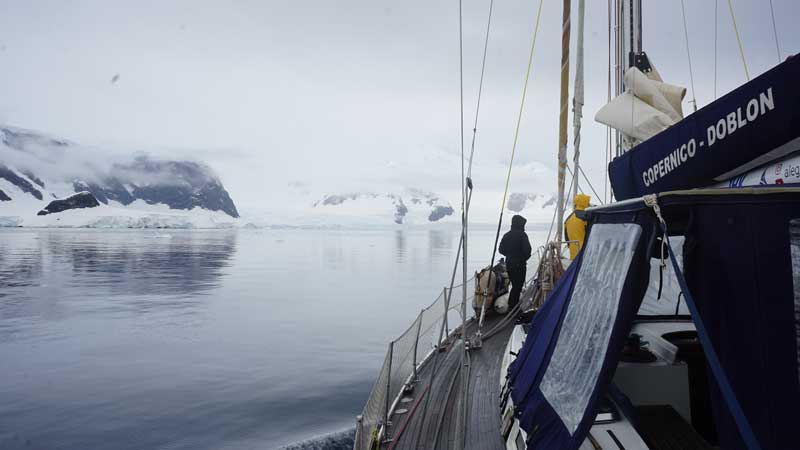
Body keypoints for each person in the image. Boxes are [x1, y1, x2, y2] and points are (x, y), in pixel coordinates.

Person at [498, 214, 532, 310]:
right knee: (518, 286)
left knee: (514, 285)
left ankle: (512, 305)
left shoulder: (507, 235)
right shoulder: (522, 235)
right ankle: (513, 307)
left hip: (509, 264)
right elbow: (527, 250)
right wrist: (522, 258)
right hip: (520, 265)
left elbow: (501, 249)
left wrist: (509, 255)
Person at [565, 194, 590, 260]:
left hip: (573, 255)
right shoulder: (585, 217)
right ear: (584, 203)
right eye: (588, 202)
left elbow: (567, 239)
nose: (589, 204)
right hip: (584, 254)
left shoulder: (568, 219)